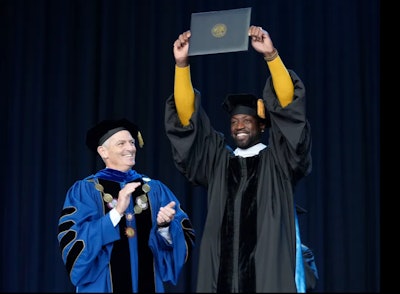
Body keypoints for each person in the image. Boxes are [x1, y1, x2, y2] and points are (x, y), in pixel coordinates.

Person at [164, 26, 317, 292]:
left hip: (267, 275)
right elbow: (187, 123)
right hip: (219, 277)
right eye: (234, 121)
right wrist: (181, 65)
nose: (239, 126)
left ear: (262, 126)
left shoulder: (279, 162)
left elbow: (290, 113)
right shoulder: (218, 163)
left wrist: (271, 57)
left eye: (247, 120)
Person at [57, 118, 195, 293]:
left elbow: (183, 237)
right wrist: (116, 213)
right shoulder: (86, 191)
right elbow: (74, 240)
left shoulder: (155, 189)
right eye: (121, 143)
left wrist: (165, 227)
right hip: (102, 286)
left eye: (131, 142)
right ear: (103, 152)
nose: (130, 148)